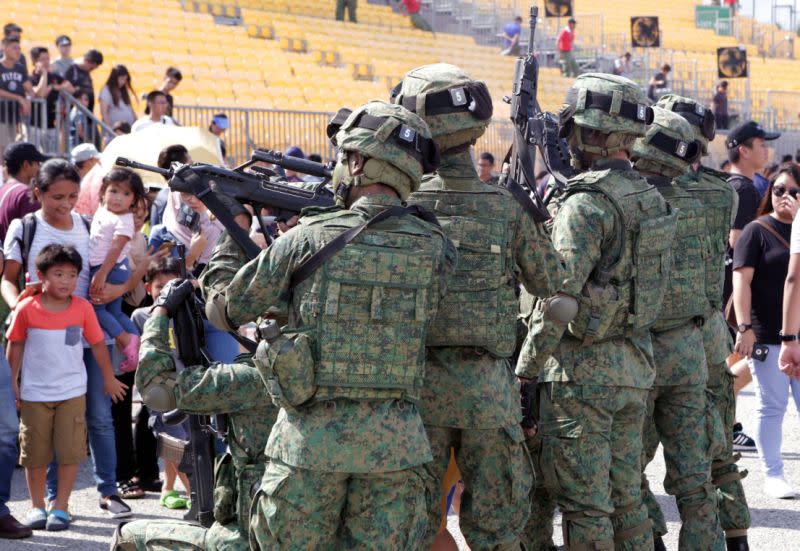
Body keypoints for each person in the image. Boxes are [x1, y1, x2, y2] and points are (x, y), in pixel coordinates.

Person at [201, 100, 455, 549]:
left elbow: (226, 311)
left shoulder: (307, 239)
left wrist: (232, 233)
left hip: (310, 445)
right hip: (398, 447)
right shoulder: (437, 245)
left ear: (357, 162)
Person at [393, 64, 564, 550]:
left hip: (416, 388)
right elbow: (557, 294)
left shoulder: (401, 205)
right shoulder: (506, 208)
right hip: (490, 389)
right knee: (497, 529)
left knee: (417, 523)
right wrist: (528, 369)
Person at [517, 73, 675, 551]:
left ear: (595, 134)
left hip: (582, 376)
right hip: (633, 368)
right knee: (626, 500)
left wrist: (525, 371)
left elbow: (559, 299)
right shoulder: (653, 197)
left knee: (586, 506)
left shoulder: (586, 202)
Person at [2, 159, 139, 519]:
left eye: (73, 196)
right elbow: (8, 277)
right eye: (57, 197)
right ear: (38, 193)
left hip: (88, 329)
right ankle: (49, 501)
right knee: (47, 420)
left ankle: (108, 491)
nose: (66, 204)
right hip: (43, 334)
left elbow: (110, 275)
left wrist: (113, 289)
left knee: (98, 416)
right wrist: (19, 305)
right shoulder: (26, 226)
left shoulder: (88, 224)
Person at [110, 268, 278, 550]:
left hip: (255, 534)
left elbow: (155, 389)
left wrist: (161, 310)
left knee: (128, 535)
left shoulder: (250, 379)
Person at [657, 93, 752, 551]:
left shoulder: (653, 194)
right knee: (718, 448)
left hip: (658, 338)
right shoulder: (721, 193)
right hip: (710, 335)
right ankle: (735, 534)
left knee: (632, 458)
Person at [631, 107, 725, 549]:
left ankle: (650, 539)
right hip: (688, 347)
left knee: (627, 468)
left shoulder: (632, 202)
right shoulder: (703, 202)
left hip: (642, 351)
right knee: (695, 475)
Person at [8, 244, 126, 532]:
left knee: (70, 453)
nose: (66, 281)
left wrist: (109, 378)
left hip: (73, 393)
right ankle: (37, 507)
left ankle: (60, 508)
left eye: (72, 275)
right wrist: (11, 384)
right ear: (41, 276)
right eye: (58, 274)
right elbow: (15, 345)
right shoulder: (26, 308)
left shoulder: (83, 308)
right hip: (34, 394)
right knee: (34, 454)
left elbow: (98, 345)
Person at [732, 163, 800, 499]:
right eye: (778, 190)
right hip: (768, 334)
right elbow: (741, 280)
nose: (784, 197)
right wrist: (744, 327)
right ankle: (773, 472)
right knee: (771, 405)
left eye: (793, 192)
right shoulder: (756, 231)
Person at [88, 168, 147, 372]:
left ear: (134, 200)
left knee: (96, 309)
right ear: (103, 190)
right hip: (113, 267)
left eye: (126, 194)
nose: (118, 198)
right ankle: (135, 341)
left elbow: (116, 247)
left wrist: (102, 273)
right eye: (113, 191)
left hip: (110, 268)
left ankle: (125, 340)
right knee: (114, 311)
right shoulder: (104, 210)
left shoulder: (124, 220)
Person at [29, 46, 73, 153]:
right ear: (35, 61)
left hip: (51, 124)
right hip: (35, 123)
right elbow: (40, 94)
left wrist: (55, 87)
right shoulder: (30, 78)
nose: (46, 62)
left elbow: (71, 88)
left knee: (52, 155)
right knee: (34, 154)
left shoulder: (54, 76)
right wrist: (44, 75)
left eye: (48, 58)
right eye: (43, 59)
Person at [0, 141, 46, 242]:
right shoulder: (26, 194)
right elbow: (36, 237)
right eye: (37, 163)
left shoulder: (3, 189)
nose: (39, 167)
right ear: (26, 165)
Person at [0, 37, 33, 151]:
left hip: (14, 115)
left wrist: (27, 100)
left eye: (19, 48)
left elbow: (30, 89)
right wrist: (18, 98)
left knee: (10, 147)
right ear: (4, 48)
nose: (18, 51)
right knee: (2, 147)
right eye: (14, 48)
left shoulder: (20, 68)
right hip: (1, 114)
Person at [63, 49, 103, 113]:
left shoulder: (87, 73)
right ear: (85, 60)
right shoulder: (72, 70)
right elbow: (65, 86)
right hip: (74, 113)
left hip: (87, 113)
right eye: (91, 68)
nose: (92, 70)